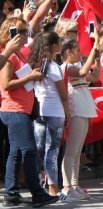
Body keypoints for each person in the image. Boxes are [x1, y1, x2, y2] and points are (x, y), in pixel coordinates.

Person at [1, 18, 59, 207]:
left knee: (16, 152)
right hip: (14, 109)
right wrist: (31, 76)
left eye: (26, 30)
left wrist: (33, 77)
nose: (26, 34)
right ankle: (36, 193)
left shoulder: (19, 55)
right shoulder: (8, 56)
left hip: (20, 109)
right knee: (29, 150)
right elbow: (6, 85)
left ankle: (11, 193)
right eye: (22, 31)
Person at [28, 32, 70, 199]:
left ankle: (39, 186)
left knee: (39, 150)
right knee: (51, 150)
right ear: (53, 46)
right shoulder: (53, 66)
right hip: (55, 113)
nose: (62, 45)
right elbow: (63, 94)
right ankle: (53, 188)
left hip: (39, 112)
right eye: (59, 42)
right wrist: (67, 112)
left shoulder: (34, 64)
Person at [60, 35, 101, 199]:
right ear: (69, 52)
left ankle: (75, 185)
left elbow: (94, 76)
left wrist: (98, 59)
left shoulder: (76, 66)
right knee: (71, 151)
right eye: (77, 49)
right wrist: (93, 49)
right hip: (75, 110)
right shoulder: (66, 67)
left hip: (84, 109)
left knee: (77, 152)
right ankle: (66, 187)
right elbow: (84, 72)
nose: (80, 52)